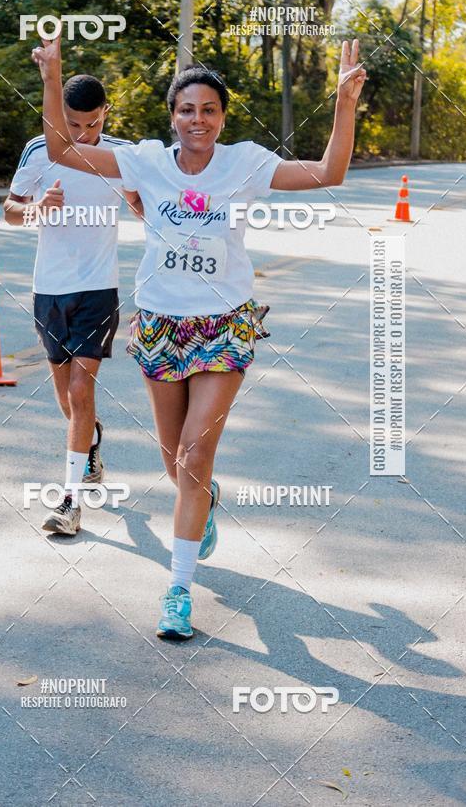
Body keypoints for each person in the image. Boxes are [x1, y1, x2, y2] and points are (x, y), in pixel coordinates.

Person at [32, 35, 366, 636]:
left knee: (193, 457)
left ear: (222, 117)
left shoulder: (243, 163)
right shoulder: (148, 161)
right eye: (187, 109)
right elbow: (60, 149)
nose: (198, 119)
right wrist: (52, 75)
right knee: (174, 462)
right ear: (173, 117)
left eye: (209, 109)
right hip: (161, 325)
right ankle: (202, 509)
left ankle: (177, 591)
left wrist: (343, 104)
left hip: (224, 327)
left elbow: (328, 171)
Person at [4, 73, 141, 536]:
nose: (81, 135)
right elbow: (10, 209)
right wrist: (38, 208)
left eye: (89, 123)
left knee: (81, 392)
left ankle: (70, 502)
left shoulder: (120, 155)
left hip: (98, 289)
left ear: (105, 112)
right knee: (68, 400)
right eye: (72, 124)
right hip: (49, 289)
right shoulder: (38, 149)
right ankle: (93, 444)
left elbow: (145, 205)